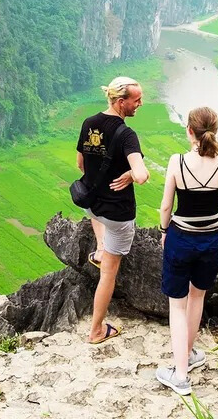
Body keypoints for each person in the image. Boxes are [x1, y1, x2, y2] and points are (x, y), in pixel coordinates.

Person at [155, 107, 218, 396]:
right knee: (197, 297)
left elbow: (166, 206)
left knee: (177, 306)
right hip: (211, 239)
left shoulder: (177, 162)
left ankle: (179, 375)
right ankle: (188, 355)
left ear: (189, 131)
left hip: (181, 237)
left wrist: (163, 231)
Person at [76, 76, 149, 344]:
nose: (140, 104)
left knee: (98, 220)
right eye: (136, 100)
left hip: (93, 205)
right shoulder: (127, 135)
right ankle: (96, 329)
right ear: (120, 102)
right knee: (108, 274)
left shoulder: (89, 123)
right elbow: (141, 176)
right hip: (117, 213)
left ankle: (100, 248)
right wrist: (131, 173)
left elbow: (81, 164)